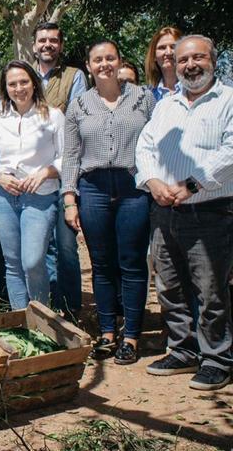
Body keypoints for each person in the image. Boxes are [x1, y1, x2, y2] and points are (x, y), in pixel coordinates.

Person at [137, 35, 233, 391]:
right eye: (183, 60)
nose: (190, 65)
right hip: (165, 210)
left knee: (210, 290)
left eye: (198, 57)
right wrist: (152, 180)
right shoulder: (167, 105)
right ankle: (182, 349)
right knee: (169, 286)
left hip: (210, 209)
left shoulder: (228, 100)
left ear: (214, 60)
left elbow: (230, 151)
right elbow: (145, 145)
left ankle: (218, 358)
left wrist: (191, 184)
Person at [61, 40, 156, 365]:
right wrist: (70, 199)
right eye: (97, 59)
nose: (104, 64)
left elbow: (155, 143)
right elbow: (71, 156)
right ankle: (106, 333)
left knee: (131, 262)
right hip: (94, 188)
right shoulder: (79, 105)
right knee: (101, 265)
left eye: (110, 58)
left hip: (133, 187)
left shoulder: (143, 98)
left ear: (118, 62)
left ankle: (131, 336)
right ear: (89, 66)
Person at [0, 60, 64, 310]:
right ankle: (21, 323)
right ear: (5, 88)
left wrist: (46, 172)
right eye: (12, 84)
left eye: (24, 82)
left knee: (33, 261)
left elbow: (67, 157)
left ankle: (41, 321)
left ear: (34, 84)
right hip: (4, 197)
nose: (19, 88)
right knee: (12, 264)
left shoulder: (53, 116)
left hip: (40, 196)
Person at [32, 22, 85, 315]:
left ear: (60, 46)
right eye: (42, 40)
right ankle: (52, 309)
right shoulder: (25, 75)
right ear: (34, 44)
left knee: (66, 247)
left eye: (53, 40)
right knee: (43, 248)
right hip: (34, 177)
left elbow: (74, 123)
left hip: (65, 174)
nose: (47, 45)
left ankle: (72, 310)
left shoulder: (74, 77)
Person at [144, 26, 183, 101]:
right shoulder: (147, 95)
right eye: (162, 48)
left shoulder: (195, 89)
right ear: (154, 56)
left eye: (173, 46)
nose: (168, 52)